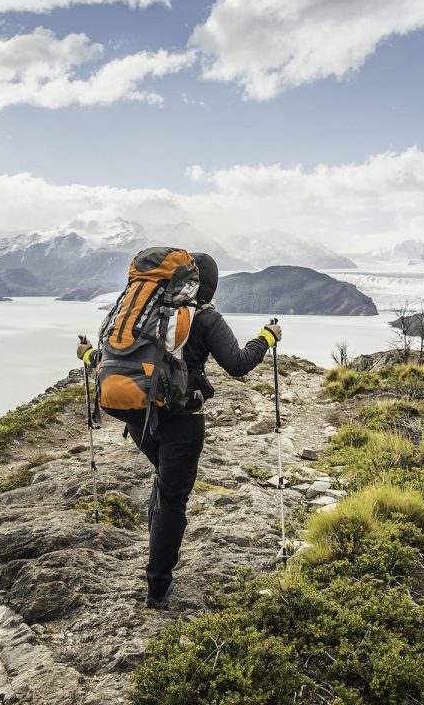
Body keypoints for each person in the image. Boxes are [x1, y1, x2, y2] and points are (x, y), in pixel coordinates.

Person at [77, 253, 282, 609]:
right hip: (182, 420)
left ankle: (158, 548)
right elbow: (238, 364)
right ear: (209, 285)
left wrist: (87, 356)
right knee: (173, 498)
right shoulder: (203, 317)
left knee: (165, 482)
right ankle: (158, 587)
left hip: (137, 416)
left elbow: (121, 359)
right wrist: (267, 336)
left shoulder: (142, 314)